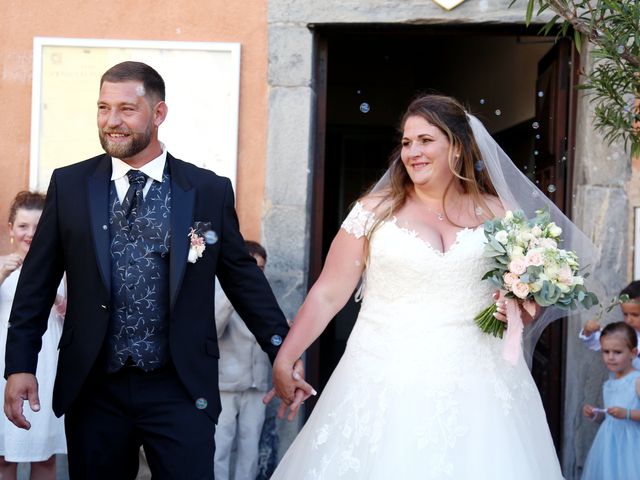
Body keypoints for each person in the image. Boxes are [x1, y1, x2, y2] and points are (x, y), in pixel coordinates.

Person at [3, 61, 311, 479]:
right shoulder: (70, 185)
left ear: (158, 113)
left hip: (180, 386)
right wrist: (20, 363)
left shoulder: (206, 190)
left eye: (127, 109)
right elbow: (36, 284)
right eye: (103, 108)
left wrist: (283, 350)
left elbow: (242, 279)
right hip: (95, 385)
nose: (112, 121)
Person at [269, 94, 586, 478]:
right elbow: (328, 292)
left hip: (480, 384)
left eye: (425, 140)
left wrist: (517, 309)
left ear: (456, 146)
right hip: (384, 376)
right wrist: (286, 357)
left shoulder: (500, 213)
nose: (413, 151)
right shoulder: (373, 212)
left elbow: (527, 297)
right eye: (406, 142)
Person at [0, 191, 66, 480]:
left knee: (44, 457)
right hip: (4, 370)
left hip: (47, 370)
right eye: (23, 226)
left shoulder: (64, 271)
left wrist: (51, 294)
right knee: (2, 458)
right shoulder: (3, 267)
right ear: (11, 229)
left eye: (38, 227)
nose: (30, 234)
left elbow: (75, 315)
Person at [214, 240, 271, 480]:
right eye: (253, 267)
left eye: (261, 269)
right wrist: (233, 293)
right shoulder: (220, 291)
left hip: (257, 385)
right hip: (226, 384)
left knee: (250, 449)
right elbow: (212, 328)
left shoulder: (265, 295)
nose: (257, 274)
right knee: (220, 448)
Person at [581, 322, 640, 479]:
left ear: (633, 353)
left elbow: (625, 414)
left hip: (631, 445)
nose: (610, 357)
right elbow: (609, 418)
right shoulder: (609, 383)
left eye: (617, 352)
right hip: (607, 445)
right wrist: (596, 415)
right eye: (606, 351)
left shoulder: (636, 381)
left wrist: (626, 413)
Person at [579, 281, 640, 369]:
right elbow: (596, 341)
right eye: (625, 314)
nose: (629, 320)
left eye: (635, 315)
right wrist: (588, 332)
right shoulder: (622, 334)